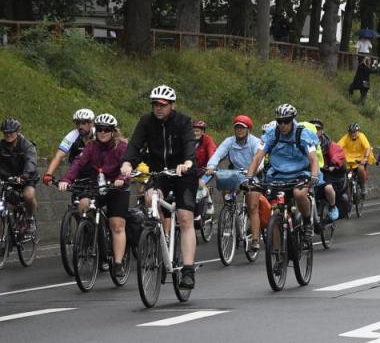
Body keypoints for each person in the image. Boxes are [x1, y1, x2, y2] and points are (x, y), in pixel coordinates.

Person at [121, 85, 198, 289]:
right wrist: (127, 162)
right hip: (158, 172)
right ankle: (159, 240)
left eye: (163, 105)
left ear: (172, 105)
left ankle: (188, 270)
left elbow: (190, 144)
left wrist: (188, 162)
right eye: (155, 104)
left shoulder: (183, 121)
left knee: (184, 217)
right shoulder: (146, 121)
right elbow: (134, 145)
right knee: (150, 198)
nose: (158, 108)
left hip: (182, 173)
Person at [58, 113, 129, 279]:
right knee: (83, 204)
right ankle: (90, 235)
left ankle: (118, 263)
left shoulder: (121, 147)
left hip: (116, 189)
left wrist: (121, 178)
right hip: (96, 186)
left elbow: (127, 167)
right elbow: (78, 164)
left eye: (107, 130)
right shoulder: (91, 146)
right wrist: (67, 179)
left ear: (113, 131)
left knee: (116, 224)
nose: (103, 133)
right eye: (100, 130)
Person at [246, 104, 321, 238]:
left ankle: (307, 221)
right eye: (279, 121)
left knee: (299, 194)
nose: (282, 125)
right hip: (277, 175)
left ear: (292, 120)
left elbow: (314, 159)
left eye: (286, 121)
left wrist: (314, 176)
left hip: (300, 173)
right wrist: (249, 177)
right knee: (275, 212)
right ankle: (276, 252)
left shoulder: (302, 133)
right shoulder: (271, 133)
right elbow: (257, 157)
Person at [204, 114, 266, 250]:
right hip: (235, 174)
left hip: (252, 175)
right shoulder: (229, 141)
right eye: (237, 127)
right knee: (226, 189)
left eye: (242, 128)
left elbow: (260, 161)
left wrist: (253, 171)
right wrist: (211, 167)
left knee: (252, 207)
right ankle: (230, 214)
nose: (239, 130)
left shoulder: (255, 142)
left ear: (248, 129)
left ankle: (255, 240)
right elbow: (218, 154)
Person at [42, 108, 96, 186]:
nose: (80, 126)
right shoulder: (72, 135)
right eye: (77, 123)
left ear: (91, 123)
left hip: (96, 174)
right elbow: (59, 155)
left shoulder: (100, 134)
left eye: (84, 123)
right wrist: (49, 174)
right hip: (78, 174)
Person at [0, 118, 39, 220]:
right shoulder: (1, 146)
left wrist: (24, 176)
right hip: (8, 178)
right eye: (5, 132)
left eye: (11, 132)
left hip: (26, 177)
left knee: (29, 195)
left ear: (17, 132)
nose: (8, 134)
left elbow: (31, 162)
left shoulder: (27, 145)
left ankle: (29, 217)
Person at [338, 122, 375, 194]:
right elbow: (338, 146)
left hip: (360, 159)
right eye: (351, 132)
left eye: (354, 132)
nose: (353, 134)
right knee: (342, 172)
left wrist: (365, 158)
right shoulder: (346, 137)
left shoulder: (361, 136)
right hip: (349, 160)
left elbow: (367, 148)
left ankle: (363, 186)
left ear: (357, 132)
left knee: (361, 169)